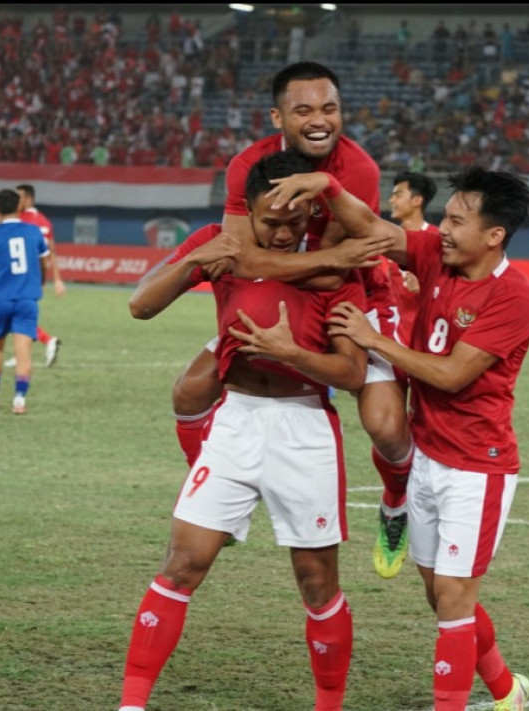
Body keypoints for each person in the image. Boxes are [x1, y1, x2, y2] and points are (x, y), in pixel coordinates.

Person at [268, 165, 529, 710]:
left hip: (476, 469)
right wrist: (330, 188)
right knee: (439, 595)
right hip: (428, 458)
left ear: (494, 235)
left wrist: (373, 340)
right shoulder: (437, 253)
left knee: (456, 601)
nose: (442, 227)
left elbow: (451, 374)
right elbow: (377, 229)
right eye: (445, 215)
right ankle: (507, 689)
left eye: (458, 220)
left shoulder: (513, 296)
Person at [119, 151, 368, 711]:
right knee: (182, 566)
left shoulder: (335, 268)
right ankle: (131, 706)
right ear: (247, 212)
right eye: (269, 221)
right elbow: (140, 305)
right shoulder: (220, 244)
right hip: (234, 421)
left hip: (304, 429)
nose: (283, 233)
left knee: (316, 583)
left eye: (294, 221)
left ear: (311, 212)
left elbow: (352, 373)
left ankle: (328, 705)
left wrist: (291, 353)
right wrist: (194, 262)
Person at [161, 61, 415, 580]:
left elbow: (337, 274)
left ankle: (395, 503)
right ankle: (212, 494)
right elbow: (246, 258)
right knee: (190, 391)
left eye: (330, 108)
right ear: (279, 117)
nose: (319, 119)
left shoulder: (358, 170)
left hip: (356, 296)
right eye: (304, 110)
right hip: (284, 292)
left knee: (386, 426)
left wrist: (294, 264)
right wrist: (298, 265)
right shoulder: (247, 167)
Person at [0, 189, 50, 416]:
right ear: (19, 207)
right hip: (27, 298)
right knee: (24, 352)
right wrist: (42, 282)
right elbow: (44, 262)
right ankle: (19, 400)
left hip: (0, 298)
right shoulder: (34, 231)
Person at [386, 171, 439, 349]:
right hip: (392, 338)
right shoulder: (385, 241)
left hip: (428, 342)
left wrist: (425, 289)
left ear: (417, 200)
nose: (391, 201)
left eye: (398, 195)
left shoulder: (439, 241)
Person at [16, 184, 65, 367]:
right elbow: (52, 251)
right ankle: (22, 353)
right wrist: (57, 279)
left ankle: (47, 340)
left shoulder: (21, 220)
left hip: (22, 275)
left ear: (29, 199)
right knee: (23, 314)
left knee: (17, 315)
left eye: (19, 197)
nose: (16, 201)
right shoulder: (44, 221)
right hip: (37, 276)